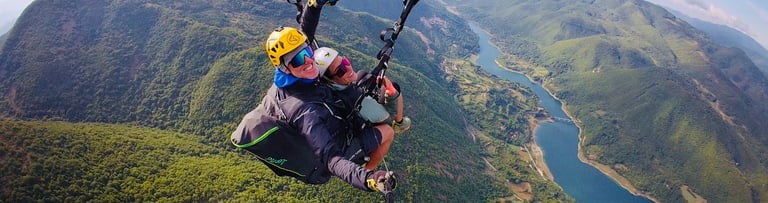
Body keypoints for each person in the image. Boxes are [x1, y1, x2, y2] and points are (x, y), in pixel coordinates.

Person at [240, 26, 395, 193]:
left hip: (335, 126)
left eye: (307, 51)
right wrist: (368, 179)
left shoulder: (297, 77)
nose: (308, 60)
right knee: (388, 131)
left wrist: (314, 8)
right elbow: (332, 159)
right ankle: (368, 167)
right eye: (298, 60)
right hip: (333, 154)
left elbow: (307, 27)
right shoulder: (304, 111)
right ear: (285, 68)